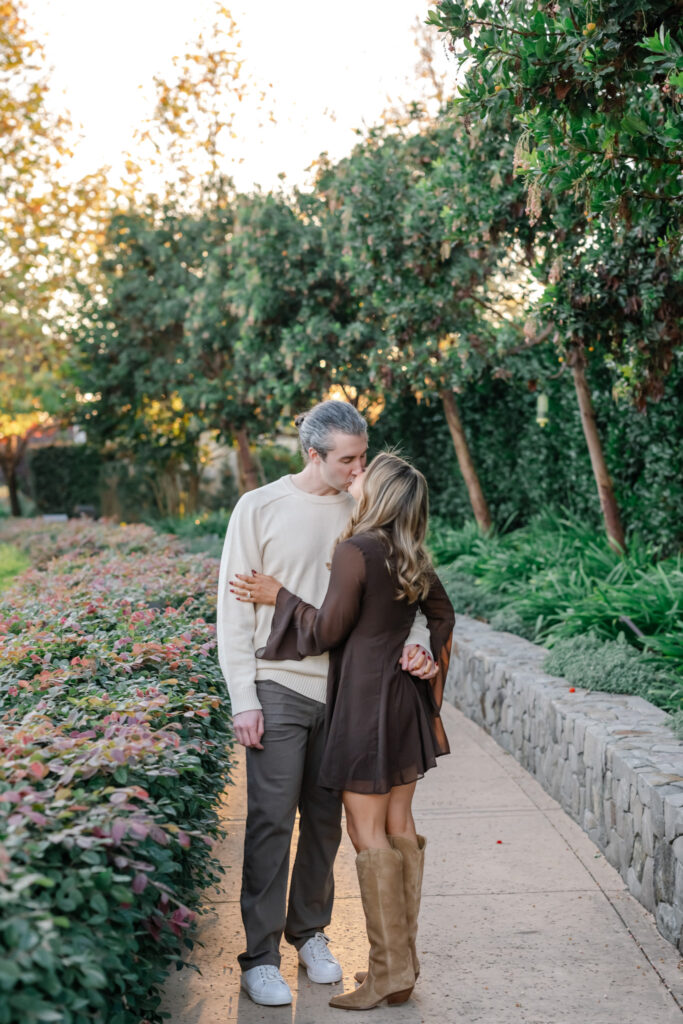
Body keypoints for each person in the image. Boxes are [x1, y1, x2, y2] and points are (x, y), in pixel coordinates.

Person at [216, 402, 438, 1007]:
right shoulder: (259, 507)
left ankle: (309, 931)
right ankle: (259, 956)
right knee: (269, 819)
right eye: (347, 458)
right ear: (312, 455)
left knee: (324, 822)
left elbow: (409, 594)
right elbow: (234, 611)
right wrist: (244, 696)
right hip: (279, 684)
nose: (358, 467)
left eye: (363, 456)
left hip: (348, 694)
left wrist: (420, 648)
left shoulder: (368, 505)